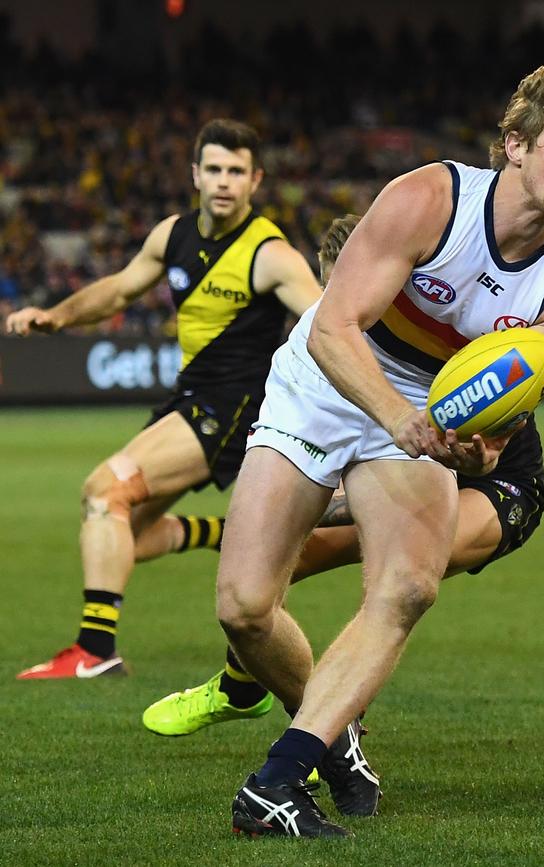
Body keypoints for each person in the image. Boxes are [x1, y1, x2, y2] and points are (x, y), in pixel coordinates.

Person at [211, 63, 544, 838]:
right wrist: (400, 417)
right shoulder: (429, 200)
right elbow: (335, 327)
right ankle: (334, 734)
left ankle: (278, 778)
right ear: (515, 145)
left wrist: (476, 453)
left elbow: (498, 426)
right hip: (331, 378)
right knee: (243, 606)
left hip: (424, 413)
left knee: (407, 587)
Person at [142, 212, 544, 744]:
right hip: (410, 469)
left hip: (493, 488)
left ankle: (327, 732)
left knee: (395, 580)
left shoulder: (449, 322)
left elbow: (496, 421)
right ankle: (247, 687)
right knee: (281, 565)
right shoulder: (332, 341)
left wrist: (312, 506)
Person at [7, 118, 322, 680]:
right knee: (117, 527)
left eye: (237, 172)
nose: (225, 182)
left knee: (103, 490)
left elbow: (326, 326)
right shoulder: (172, 235)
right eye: (216, 170)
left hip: (231, 411)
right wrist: (56, 316)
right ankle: (215, 533)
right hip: (191, 400)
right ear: (195, 174)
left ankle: (94, 650)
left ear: (256, 180)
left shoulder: (270, 254)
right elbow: (121, 288)